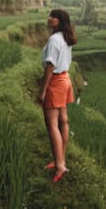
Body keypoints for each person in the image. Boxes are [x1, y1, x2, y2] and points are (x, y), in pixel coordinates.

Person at [39, 9, 77, 183]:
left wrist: (43, 89)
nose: (50, 18)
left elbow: (50, 66)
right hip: (65, 79)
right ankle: (60, 160)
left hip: (55, 81)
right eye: (50, 16)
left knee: (52, 124)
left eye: (54, 17)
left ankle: (60, 165)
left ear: (60, 21)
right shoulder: (66, 37)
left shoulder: (54, 39)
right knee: (63, 120)